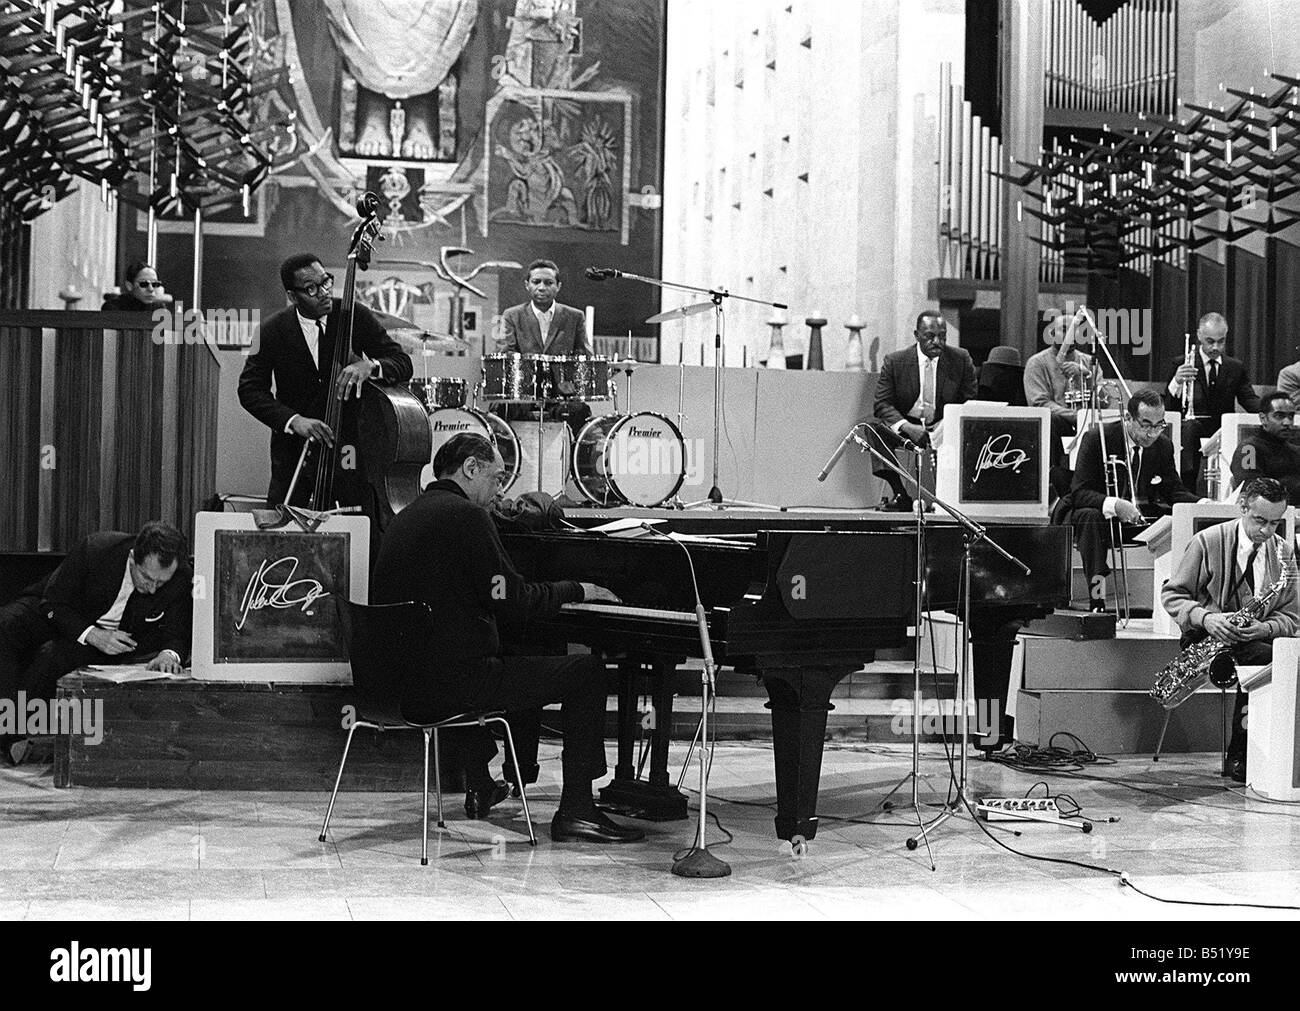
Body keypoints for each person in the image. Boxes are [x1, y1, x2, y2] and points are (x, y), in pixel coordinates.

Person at [370, 432, 644, 844]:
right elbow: (513, 598)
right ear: (470, 469)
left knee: (494, 650)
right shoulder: (466, 517)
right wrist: (577, 588)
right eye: (497, 478)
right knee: (586, 671)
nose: (500, 490)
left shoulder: (408, 516)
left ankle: (485, 779)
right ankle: (577, 811)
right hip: (449, 687)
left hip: (395, 689)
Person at [0, 522, 193, 765]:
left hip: (112, 642)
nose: (152, 588)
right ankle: (3, 728)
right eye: (146, 578)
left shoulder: (180, 577)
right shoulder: (97, 550)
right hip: (57, 612)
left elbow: (178, 631)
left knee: (52, 656)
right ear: (132, 558)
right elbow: (52, 603)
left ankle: (14, 734)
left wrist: (170, 654)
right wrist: (91, 633)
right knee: (5, 625)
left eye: (161, 583)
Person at [238, 252, 414, 512]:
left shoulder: (355, 316)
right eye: (311, 288)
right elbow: (249, 389)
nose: (323, 292)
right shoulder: (269, 331)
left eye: (326, 282)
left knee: (356, 522)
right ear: (292, 295)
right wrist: (293, 420)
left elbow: (401, 362)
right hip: (294, 452)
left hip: (348, 449)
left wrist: (371, 366)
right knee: (285, 529)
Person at [1162, 478, 1299, 782]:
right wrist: (1207, 619)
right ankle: (1241, 756)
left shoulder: (1284, 553)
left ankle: (1264, 756)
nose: (1266, 531)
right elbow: (1173, 596)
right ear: (1242, 507)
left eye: (1275, 523)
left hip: (1255, 636)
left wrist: (1264, 627)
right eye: (1259, 520)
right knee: (1263, 662)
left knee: (1271, 659)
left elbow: (1293, 617)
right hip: (1206, 635)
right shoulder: (1207, 541)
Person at [1060, 389, 1199, 611]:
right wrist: (1115, 505)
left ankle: (1177, 601)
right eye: (1145, 425)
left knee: (1179, 520)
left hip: (1136, 517)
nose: (1152, 433)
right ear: (1128, 419)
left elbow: (1174, 491)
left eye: (1158, 425)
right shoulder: (1097, 438)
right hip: (1095, 515)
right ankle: (1098, 600)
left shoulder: (1163, 445)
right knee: (1090, 518)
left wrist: (1202, 505)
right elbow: (1079, 492)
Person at [867, 311, 977, 511]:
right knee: (873, 429)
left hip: (944, 424)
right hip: (907, 425)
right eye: (930, 336)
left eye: (943, 336)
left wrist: (948, 423)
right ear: (916, 335)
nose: (937, 342)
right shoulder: (895, 361)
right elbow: (882, 404)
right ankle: (900, 493)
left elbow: (969, 401)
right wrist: (908, 427)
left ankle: (956, 497)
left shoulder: (960, 359)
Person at [494, 259, 592, 438]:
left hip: (562, 394)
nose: (542, 287)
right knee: (503, 408)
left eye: (549, 283)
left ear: (558, 286)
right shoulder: (511, 315)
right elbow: (505, 353)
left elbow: (584, 353)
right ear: (527, 285)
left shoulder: (575, 317)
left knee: (580, 411)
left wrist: (569, 377)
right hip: (523, 393)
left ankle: (573, 462)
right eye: (536, 282)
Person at [1164, 312, 1260, 488]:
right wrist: (1176, 381)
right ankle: (1188, 489)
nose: (1216, 347)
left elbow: (1249, 399)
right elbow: (1170, 407)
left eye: (1221, 341)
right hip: (1191, 430)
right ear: (1199, 336)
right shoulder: (1181, 363)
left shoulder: (1235, 367)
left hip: (1222, 429)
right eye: (1210, 341)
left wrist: (1268, 411)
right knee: (1190, 430)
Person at [1227, 390, 1300, 504]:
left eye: (1291, 416)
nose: (1287, 422)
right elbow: (1253, 490)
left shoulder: (1296, 451)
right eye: (1279, 416)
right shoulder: (1249, 449)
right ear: (1263, 418)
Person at [102, 262, 166, 311]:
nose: (151, 289)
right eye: (144, 284)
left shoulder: (159, 309)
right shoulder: (113, 307)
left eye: (155, 284)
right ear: (129, 286)